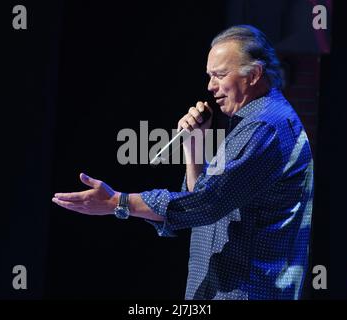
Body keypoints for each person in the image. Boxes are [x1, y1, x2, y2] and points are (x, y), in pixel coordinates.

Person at [52, 25, 314, 300]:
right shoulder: (254, 121)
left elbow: (205, 204)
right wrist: (194, 144)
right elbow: (199, 197)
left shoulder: (264, 127)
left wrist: (119, 202)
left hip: (244, 292)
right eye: (209, 76)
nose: (210, 86)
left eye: (219, 75)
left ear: (255, 74)